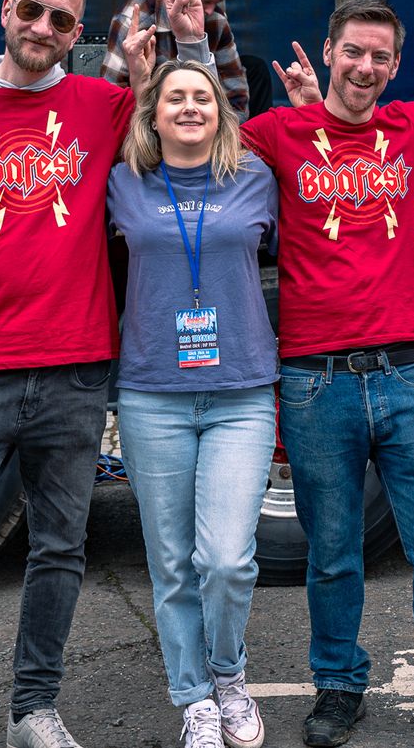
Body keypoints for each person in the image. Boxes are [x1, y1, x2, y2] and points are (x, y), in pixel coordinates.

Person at [0, 0, 215, 748]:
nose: (43, 28)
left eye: (62, 21)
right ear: (6, 11)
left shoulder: (101, 107)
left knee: (60, 548)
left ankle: (32, 709)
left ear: (77, 38)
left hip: (74, 368)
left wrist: (180, 47)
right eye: (33, 11)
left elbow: (194, 135)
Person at [241, 0, 414, 748]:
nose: (365, 67)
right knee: (332, 555)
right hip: (315, 381)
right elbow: (198, 129)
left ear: (395, 66)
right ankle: (337, 686)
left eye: (380, 57)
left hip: (409, 376)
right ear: (329, 52)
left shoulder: (411, 125)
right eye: (354, 52)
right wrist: (197, 42)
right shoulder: (281, 131)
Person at [106, 59, 278, 748]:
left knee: (227, 560)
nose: (188, 107)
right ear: (152, 113)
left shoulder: (255, 179)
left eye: (201, 97)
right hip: (153, 393)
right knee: (172, 563)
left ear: (220, 111)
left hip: (240, 390)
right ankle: (195, 699)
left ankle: (228, 673)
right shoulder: (124, 182)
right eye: (174, 96)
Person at [103, 0, 259, 116]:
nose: (210, 11)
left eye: (217, 3)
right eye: (206, 1)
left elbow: (236, 95)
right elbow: (112, 95)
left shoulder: (215, 20)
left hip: (204, 123)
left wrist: (227, 130)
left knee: (257, 69)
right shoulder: (135, 19)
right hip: (147, 119)